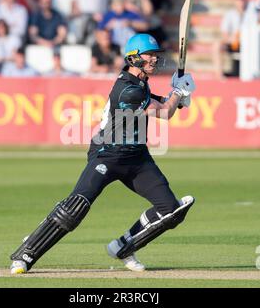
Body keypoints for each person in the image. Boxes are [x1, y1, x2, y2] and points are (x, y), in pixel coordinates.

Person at [10, 33, 196, 274]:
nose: (154, 59)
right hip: (107, 154)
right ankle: (26, 253)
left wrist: (179, 96)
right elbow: (163, 112)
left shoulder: (140, 83)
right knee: (74, 208)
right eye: (150, 55)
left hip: (137, 157)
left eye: (155, 55)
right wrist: (178, 94)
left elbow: (159, 101)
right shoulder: (127, 89)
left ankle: (124, 247)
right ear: (134, 58)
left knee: (170, 210)